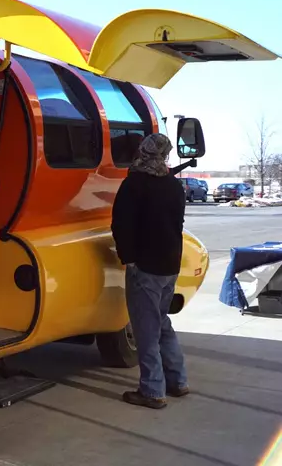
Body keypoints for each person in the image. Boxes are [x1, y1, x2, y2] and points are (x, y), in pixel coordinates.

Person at [111, 133, 190, 409]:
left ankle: (153, 391)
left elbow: (120, 225)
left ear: (141, 152)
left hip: (145, 267)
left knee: (146, 329)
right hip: (170, 265)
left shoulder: (134, 184)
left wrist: (129, 259)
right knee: (161, 322)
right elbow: (177, 224)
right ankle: (177, 380)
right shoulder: (172, 185)